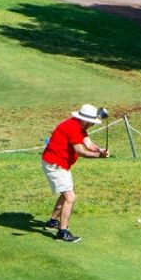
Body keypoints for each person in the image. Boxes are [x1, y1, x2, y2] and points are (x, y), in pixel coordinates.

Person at [40, 103, 109, 243]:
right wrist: (98, 157)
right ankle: (62, 232)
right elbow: (81, 151)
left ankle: (52, 222)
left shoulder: (79, 127)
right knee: (70, 197)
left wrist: (99, 150)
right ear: (83, 119)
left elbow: (88, 144)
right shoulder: (72, 127)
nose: (92, 125)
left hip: (61, 164)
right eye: (91, 122)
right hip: (55, 164)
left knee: (66, 194)